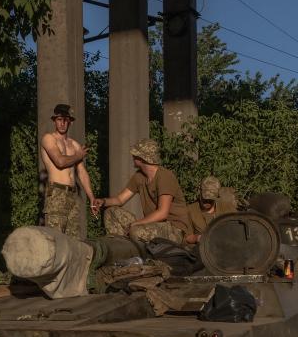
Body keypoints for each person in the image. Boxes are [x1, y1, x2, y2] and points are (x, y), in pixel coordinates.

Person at [95, 138, 191, 244]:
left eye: (135, 155)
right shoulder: (139, 176)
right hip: (152, 225)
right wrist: (103, 201)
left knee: (137, 231)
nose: (132, 157)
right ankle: (121, 248)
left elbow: (162, 213)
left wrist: (137, 223)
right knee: (111, 212)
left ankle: (134, 250)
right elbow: (120, 200)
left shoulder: (165, 176)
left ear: (143, 158)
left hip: (174, 229)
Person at [39, 103, 97, 239]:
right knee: (56, 240)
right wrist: (78, 155)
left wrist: (91, 198)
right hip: (56, 193)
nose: (62, 123)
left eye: (65, 120)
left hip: (72, 195)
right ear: (54, 120)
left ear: (70, 122)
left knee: (73, 241)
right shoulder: (49, 139)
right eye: (59, 119)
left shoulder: (75, 145)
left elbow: (82, 172)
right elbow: (60, 162)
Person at [185, 175, 235, 244]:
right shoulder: (190, 210)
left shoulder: (227, 207)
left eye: (211, 200)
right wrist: (198, 238)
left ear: (217, 196)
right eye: (205, 199)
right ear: (199, 194)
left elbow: (236, 229)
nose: (207, 202)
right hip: (202, 248)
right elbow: (187, 237)